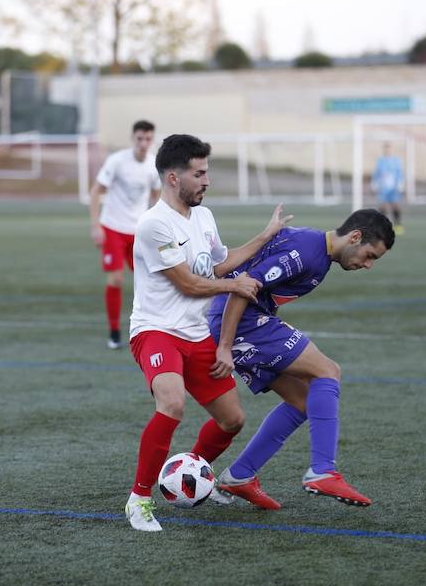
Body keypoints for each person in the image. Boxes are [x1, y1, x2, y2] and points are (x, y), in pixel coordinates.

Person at [125, 133, 292, 532]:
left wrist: (265, 235)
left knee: (232, 419)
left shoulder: (203, 217)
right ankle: (139, 500)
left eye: (206, 172)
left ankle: (196, 473)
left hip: (196, 333)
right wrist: (235, 286)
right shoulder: (153, 225)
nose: (206, 181)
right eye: (199, 174)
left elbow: (220, 264)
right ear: (172, 178)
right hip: (155, 331)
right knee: (172, 403)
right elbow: (188, 283)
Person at [208, 209, 395, 510]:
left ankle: (239, 476)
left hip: (243, 322)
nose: (368, 265)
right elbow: (242, 288)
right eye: (370, 255)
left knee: (303, 400)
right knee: (328, 371)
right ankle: (322, 470)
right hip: (239, 322)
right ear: (355, 237)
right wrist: (225, 346)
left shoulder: (318, 253)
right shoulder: (306, 253)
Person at [90, 120, 162, 350]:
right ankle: (114, 331)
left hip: (138, 231)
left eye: (148, 139)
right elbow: (95, 192)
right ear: (133, 139)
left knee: (151, 279)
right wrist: (95, 226)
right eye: (139, 138)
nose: (143, 143)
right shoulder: (117, 161)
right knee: (116, 279)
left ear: (152, 140)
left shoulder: (153, 165)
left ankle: (153, 327)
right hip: (112, 227)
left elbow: (157, 198)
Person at [371, 143, 404, 235]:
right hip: (383, 188)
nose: (387, 151)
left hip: (393, 188)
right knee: (383, 207)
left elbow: (399, 173)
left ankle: (398, 225)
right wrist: (374, 184)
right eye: (386, 149)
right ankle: (383, 226)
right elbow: (377, 173)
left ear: (391, 150)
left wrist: (400, 184)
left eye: (389, 149)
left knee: (395, 205)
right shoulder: (380, 161)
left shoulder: (396, 161)